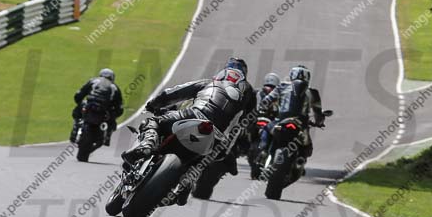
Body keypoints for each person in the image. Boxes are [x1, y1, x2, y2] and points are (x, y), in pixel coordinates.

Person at [123, 58, 256, 169]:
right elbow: (246, 123)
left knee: (153, 121)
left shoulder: (209, 83)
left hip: (195, 116)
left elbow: (175, 92)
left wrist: (153, 104)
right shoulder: (249, 96)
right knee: (207, 160)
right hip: (219, 137)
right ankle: (187, 184)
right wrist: (228, 148)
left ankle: (147, 145)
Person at [272, 65, 325, 159]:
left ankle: (263, 153)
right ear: (308, 77)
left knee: (267, 131)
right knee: (307, 148)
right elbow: (318, 112)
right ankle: (299, 163)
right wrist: (319, 122)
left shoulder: (282, 86)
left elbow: (268, 99)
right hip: (301, 124)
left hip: (281, 120)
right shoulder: (313, 92)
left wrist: (263, 109)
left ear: (292, 75)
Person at [70, 68, 123, 146]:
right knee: (112, 119)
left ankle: (75, 131)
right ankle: (107, 137)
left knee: (78, 112)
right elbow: (119, 107)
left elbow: (79, 94)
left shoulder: (93, 81)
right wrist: (115, 114)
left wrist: (79, 102)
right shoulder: (115, 87)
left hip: (90, 105)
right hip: (103, 109)